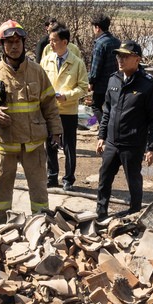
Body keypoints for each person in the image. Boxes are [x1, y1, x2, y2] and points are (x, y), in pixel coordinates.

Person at [0, 20, 62, 223]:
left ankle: (41, 224)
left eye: (17, 42)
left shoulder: (37, 71)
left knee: (39, 189)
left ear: (24, 43)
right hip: (5, 144)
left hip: (33, 144)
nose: (14, 46)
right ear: (2, 45)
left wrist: (56, 131)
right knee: (1, 191)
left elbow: (49, 103)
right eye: (8, 42)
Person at [94, 41, 153, 221]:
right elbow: (107, 110)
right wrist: (101, 136)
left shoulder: (148, 85)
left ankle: (135, 213)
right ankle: (101, 213)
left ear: (137, 59)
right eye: (119, 56)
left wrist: (152, 147)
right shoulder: (113, 79)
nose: (120, 60)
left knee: (133, 180)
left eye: (125, 56)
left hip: (132, 143)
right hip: (111, 142)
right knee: (104, 178)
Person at [41, 25, 89, 191]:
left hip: (68, 110)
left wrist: (66, 95)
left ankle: (68, 178)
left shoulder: (77, 63)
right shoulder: (46, 60)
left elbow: (83, 88)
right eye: (50, 41)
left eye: (54, 41)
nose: (51, 44)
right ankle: (52, 176)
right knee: (50, 145)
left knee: (69, 146)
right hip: (50, 109)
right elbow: (40, 82)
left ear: (64, 42)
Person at [88, 13, 120, 111]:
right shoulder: (117, 42)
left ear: (97, 28)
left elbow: (95, 67)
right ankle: (107, 125)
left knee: (96, 107)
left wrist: (91, 82)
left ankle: (102, 126)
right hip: (116, 83)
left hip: (101, 85)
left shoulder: (100, 44)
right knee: (111, 108)